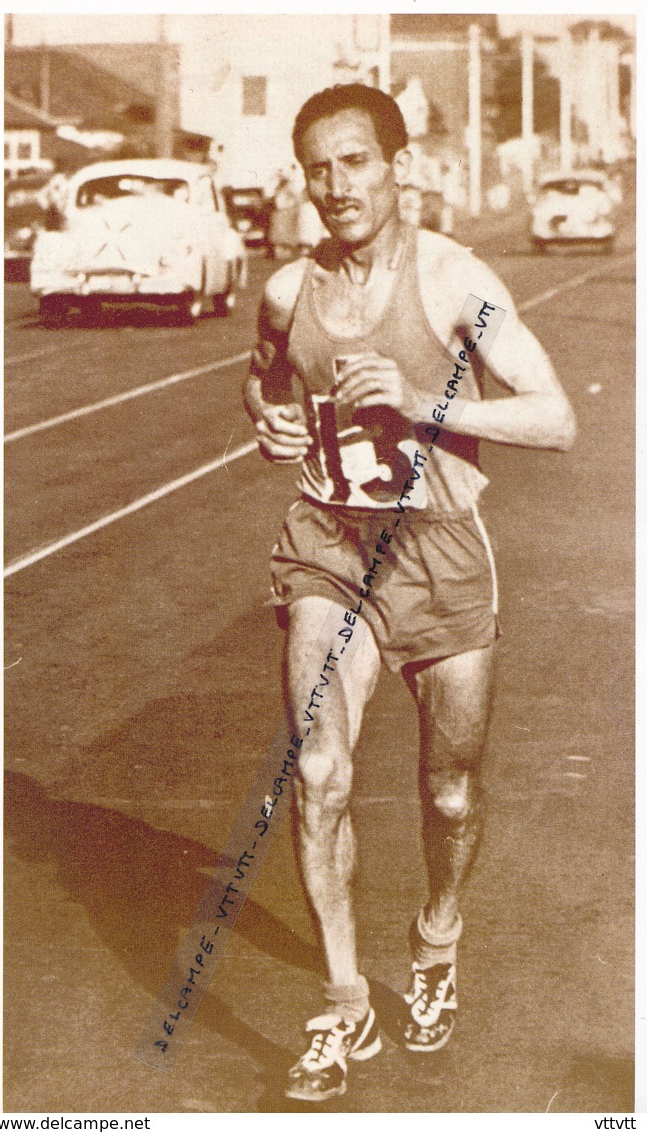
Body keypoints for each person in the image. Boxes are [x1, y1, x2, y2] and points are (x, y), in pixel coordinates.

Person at [243, 83, 576, 1103]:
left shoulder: (453, 282)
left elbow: (556, 417)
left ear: (398, 168)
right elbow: (260, 377)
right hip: (328, 550)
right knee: (323, 774)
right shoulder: (287, 291)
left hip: (439, 554)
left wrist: (427, 405)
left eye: (354, 162)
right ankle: (345, 1006)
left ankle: (437, 937)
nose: (336, 186)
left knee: (448, 792)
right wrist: (268, 418)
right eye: (318, 168)